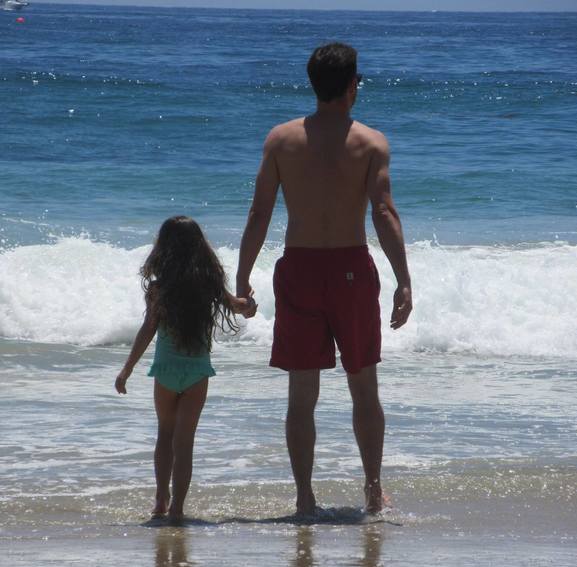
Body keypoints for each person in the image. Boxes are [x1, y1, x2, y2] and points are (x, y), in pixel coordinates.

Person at [236, 43, 412, 515]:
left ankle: (304, 498)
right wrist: (403, 279)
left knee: (301, 395)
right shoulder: (371, 143)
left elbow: (259, 213)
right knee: (364, 387)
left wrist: (242, 278)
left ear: (313, 84)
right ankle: (372, 489)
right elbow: (383, 212)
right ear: (353, 85)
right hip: (351, 270)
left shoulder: (281, 140)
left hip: (300, 269)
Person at [115, 216, 253, 521]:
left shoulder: (159, 288)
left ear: (163, 249)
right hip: (197, 372)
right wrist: (250, 304)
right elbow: (239, 306)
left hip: (165, 370)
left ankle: (160, 500)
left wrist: (127, 369)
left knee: (165, 434)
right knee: (185, 441)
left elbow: (147, 329)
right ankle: (177, 507)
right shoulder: (209, 285)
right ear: (200, 248)